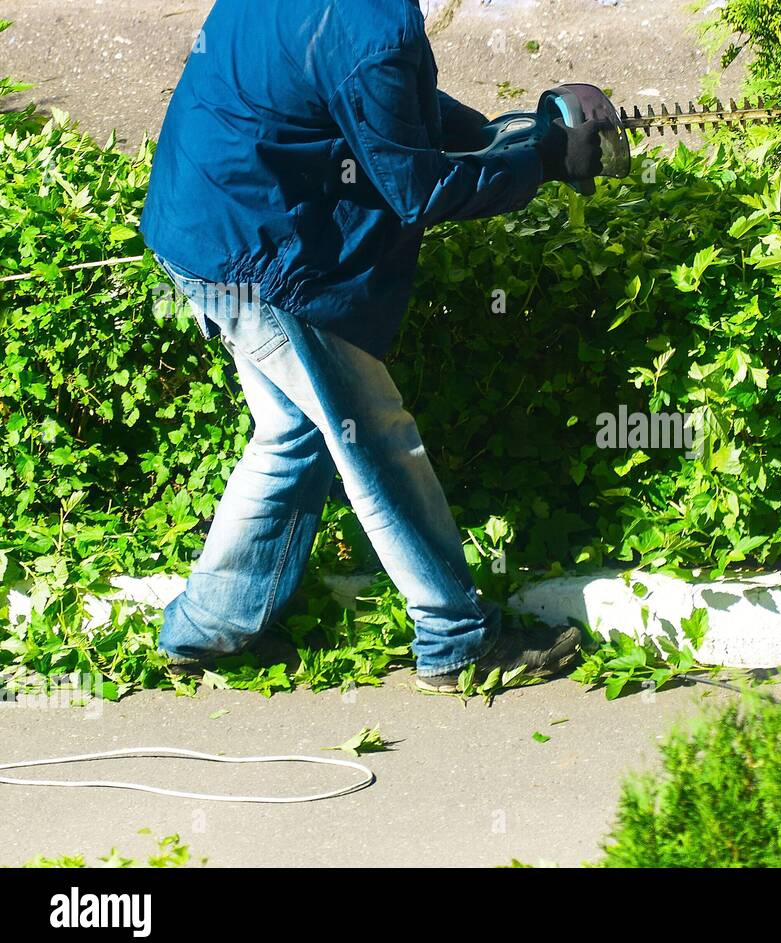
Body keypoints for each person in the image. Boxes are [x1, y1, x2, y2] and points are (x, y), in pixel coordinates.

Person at [140, 0, 601, 692]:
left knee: (293, 431)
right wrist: (538, 159)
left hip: (202, 223)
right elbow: (416, 188)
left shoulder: (357, 21)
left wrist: (482, 133)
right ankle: (455, 639)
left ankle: (205, 628)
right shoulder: (372, 28)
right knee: (377, 441)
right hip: (260, 255)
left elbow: (359, 94)